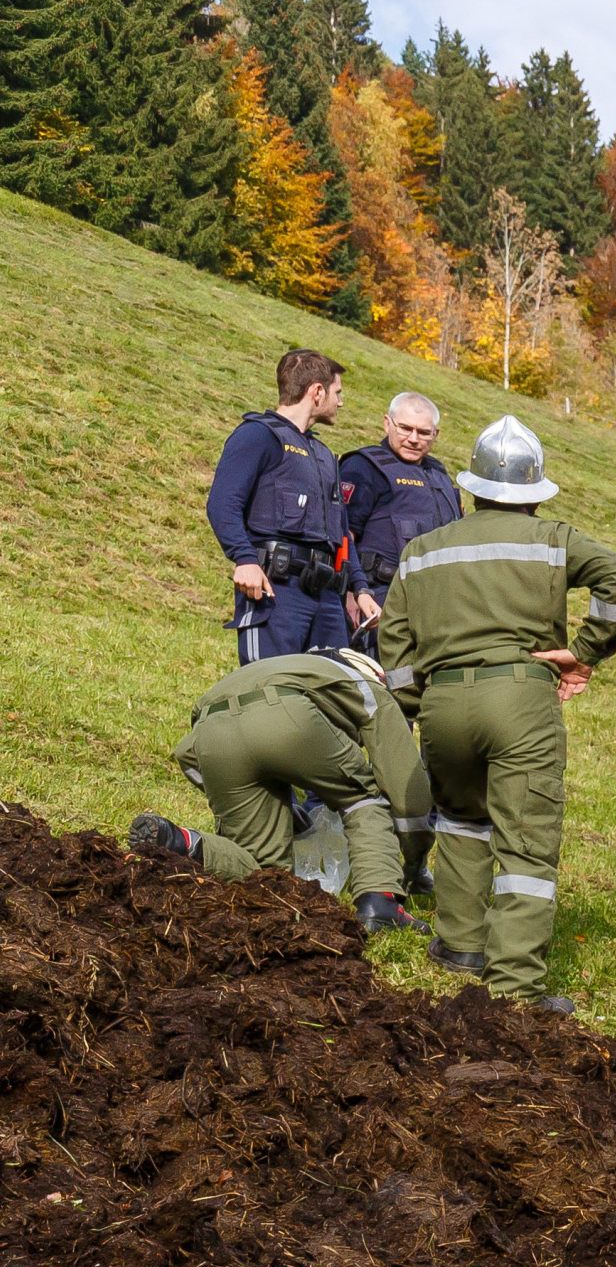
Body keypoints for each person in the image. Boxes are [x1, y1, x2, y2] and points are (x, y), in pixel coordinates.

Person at [372, 415, 616, 1016]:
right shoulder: (552, 539)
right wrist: (586, 650)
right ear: (535, 493)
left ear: (470, 489)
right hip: (519, 698)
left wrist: (415, 710)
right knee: (526, 841)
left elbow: (395, 647)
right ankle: (515, 983)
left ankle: (461, 946)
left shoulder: (420, 553)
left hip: (443, 704)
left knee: (462, 821)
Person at [126, 644, 424, 934]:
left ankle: (184, 842)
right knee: (364, 801)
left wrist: (279, 813)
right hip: (288, 714)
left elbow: (188, 756)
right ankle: (380, 904)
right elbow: (406, 788)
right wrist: (415, 861)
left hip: (210, 732)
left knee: (266, 874)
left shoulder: (287, 667)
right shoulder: (366, 682)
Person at [204, 348, 352, 663]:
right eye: (337, 393)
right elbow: (222, 503)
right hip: (277, 590)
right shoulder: (258, 435)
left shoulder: (324, 455)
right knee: (271, 690)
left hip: (326, 596)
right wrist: (245, 559)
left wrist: (359, 588)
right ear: (317, 392)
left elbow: (342, 531)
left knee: (336, 691)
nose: (340, 402)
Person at [338, 392, 463, 645]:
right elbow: (341, 535)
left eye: (424, 432)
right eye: (405, 428)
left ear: (435, 434)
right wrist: (350, 592)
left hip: (436, 604)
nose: (414, 439)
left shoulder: (439, 473)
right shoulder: (364, 467)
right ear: (387, 423)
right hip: (380, 599)